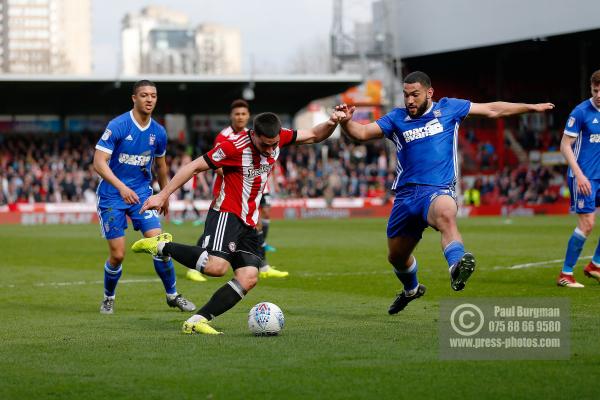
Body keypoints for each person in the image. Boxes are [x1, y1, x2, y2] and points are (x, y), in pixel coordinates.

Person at [336, 71, 554, 314]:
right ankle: (411, 289)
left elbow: (493, 109)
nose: (409, 101)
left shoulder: (450, 108)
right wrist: (345, 121)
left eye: (415, 95)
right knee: (397, 257)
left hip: (438, 190)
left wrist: (530, 108)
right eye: (406, 95)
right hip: (406, 198)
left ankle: (456, 266)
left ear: (429, 93)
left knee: (446, 215)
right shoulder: (396, 118)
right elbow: (362, 133)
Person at [131, 110, 345, 334]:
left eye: (274, 145)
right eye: (266, 145)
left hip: (249, 219)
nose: (271, 150)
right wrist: (163, 195)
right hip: (227, 212)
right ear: (254, 135)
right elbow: (193, 167)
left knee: (249, 277)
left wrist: (332, 122)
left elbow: (313, 134)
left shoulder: (278, 136)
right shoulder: (234, 147)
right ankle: (160, 245)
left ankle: (197, 320)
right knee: (216, 267)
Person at [93, 79, 196, 314]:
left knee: (161, 245)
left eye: (153, 95)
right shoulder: (118, 125)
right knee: (118, 255)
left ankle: (172, 295)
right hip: (112, 196)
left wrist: (165, 194)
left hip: (141, 195)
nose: (149, 99)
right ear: (134, 98)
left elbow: (160, 166)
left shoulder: (158, 132)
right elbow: (98, 163)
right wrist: (121, 187)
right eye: (144, 95)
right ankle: (109, 297)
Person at [186, 99, 288, 282]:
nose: (240, 117)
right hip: (230, 190)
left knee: (258, 220)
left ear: (248, 116)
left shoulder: (258, 135)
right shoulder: (224, 137)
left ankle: (262, 265)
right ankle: (196, 264)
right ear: (231, 116)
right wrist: (240, 176)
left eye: (243, 114)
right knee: (218, 231)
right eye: (237, 114)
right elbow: (216, 164)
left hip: (254, 188)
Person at [556, 69, 600, 288]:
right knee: (587, 224)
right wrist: (580, 175)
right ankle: (566, 274)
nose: (599, 94)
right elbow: (564, 146)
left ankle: (596, 265)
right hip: (583, 176)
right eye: (595, 90)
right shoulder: (581, 112)